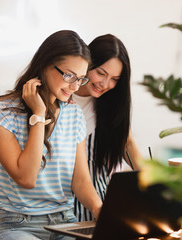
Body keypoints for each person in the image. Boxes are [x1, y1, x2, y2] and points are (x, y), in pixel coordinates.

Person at [0, 30, 102, 240]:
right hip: (16, 225)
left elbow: (80, 181)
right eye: (69, 75)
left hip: (65, 223)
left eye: (80, 79)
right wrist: (39, 114)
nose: (74, 86)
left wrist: (101, 210)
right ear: (45, 64)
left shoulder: (73, 115)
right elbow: (26, 177)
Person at [72, 34, 143, 221]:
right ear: (87, 63)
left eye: (114, 79)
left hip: (101, 209)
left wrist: (153, 184)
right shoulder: (62, 98)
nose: (105, 84)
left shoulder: (110, 104)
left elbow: (127, 143)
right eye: (101, 73)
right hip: (64, 210)